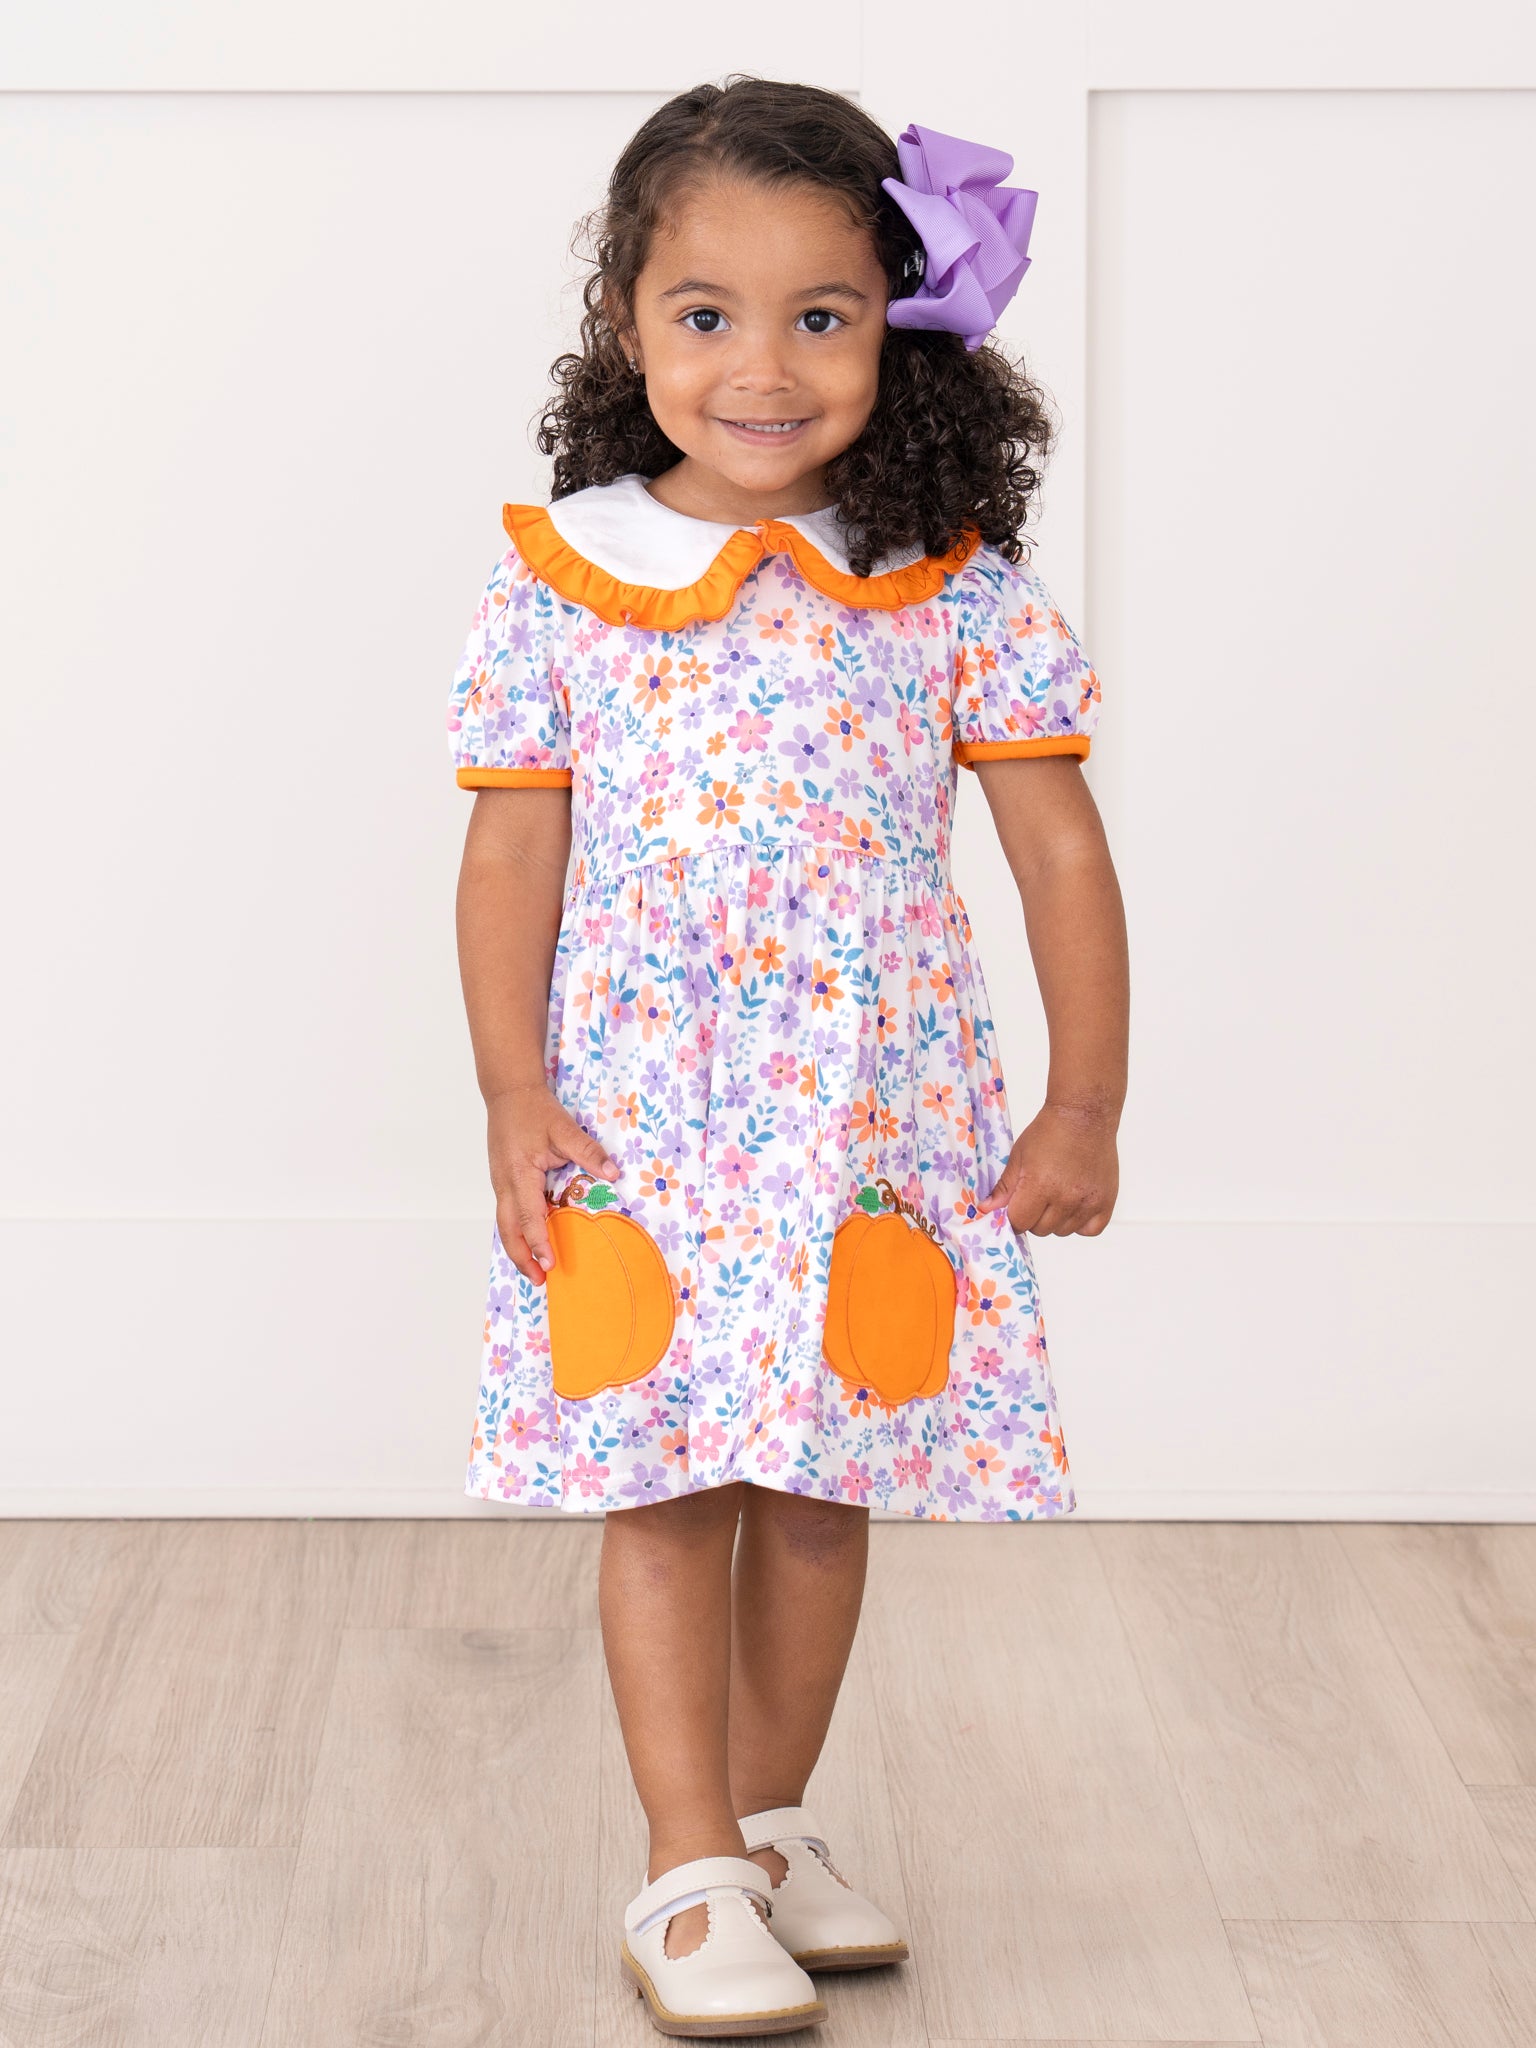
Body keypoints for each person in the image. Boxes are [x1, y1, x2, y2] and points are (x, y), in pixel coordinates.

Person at [447, 75, 1129, 2041]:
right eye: (707, 312)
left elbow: (1060, 853)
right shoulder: (566, 577)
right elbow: (511, 852)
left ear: (897, 329)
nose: (763, 365)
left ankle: (760, 1819)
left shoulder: (947, 582)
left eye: (821, 315)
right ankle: (683, 1864)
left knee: (827, 1486)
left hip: (868, 1133)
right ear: (627, 322)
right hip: (645, 1127)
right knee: (667, 1481)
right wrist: (511, 1089)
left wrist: (1081, 1099)